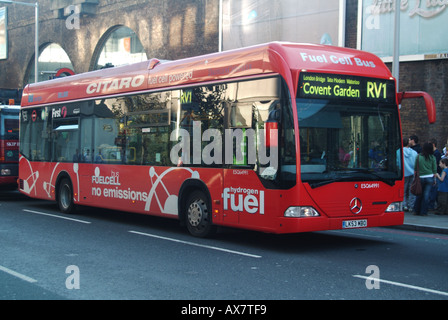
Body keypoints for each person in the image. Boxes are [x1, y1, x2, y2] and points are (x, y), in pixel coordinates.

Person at [413, 142, 437, 216]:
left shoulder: (419, 156)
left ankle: (416, 210)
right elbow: (434, 169)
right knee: (426, 195)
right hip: (430, 177)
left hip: (420, 177)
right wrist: (435, 179)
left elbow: (415, 168)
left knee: (419, 194)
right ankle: (423, 211)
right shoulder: (432, 157)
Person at [402, 138, 418, 211]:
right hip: (412, 173)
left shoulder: (399, 152)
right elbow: (416, 163)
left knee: (403, 191)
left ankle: (404, 205)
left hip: (403, 174)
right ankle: (411, 205)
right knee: (411, 190)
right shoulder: (414, 152)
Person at [429, 138, 442, 210]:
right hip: (435, 173)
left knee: (434, 190)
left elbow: (435, 165)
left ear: (433, 145)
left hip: (435, 174)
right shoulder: (436, 153)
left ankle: (432, 205)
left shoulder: (436, 153)